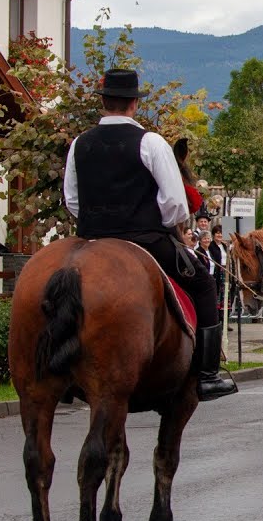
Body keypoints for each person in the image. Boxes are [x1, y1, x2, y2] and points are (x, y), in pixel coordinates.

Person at [64, 67, 235, 400]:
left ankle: (64, 374)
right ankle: (208, 374)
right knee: (201, 282)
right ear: (133, 104)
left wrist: (98, 225)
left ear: (104, 102)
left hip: (92, 241)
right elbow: (174, 203)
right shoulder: (151, 143)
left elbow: (72, 200)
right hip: (145, 239)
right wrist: (162, 224)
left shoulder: (78, 144)